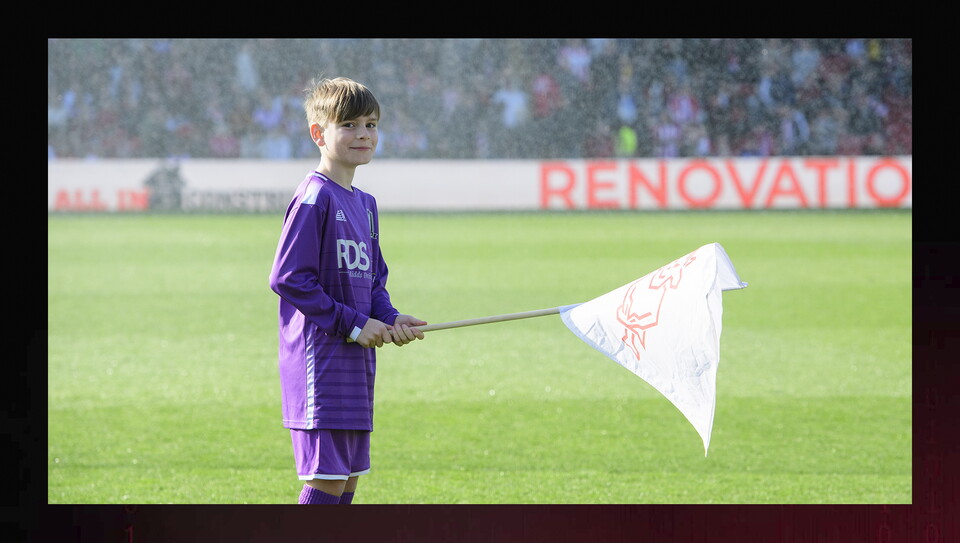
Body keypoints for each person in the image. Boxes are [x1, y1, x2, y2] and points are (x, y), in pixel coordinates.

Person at [268, 76, 426, 504]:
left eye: (371, 125)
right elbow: (288, 278)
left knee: (348, 481)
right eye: (350, 125)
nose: (363, 135)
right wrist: (356, 325)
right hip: (321, 364)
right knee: (327, 482)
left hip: (356, 364)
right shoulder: (313, 198)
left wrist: (390, 318)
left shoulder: (366, 205)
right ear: (319, 133)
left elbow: (374, 281)